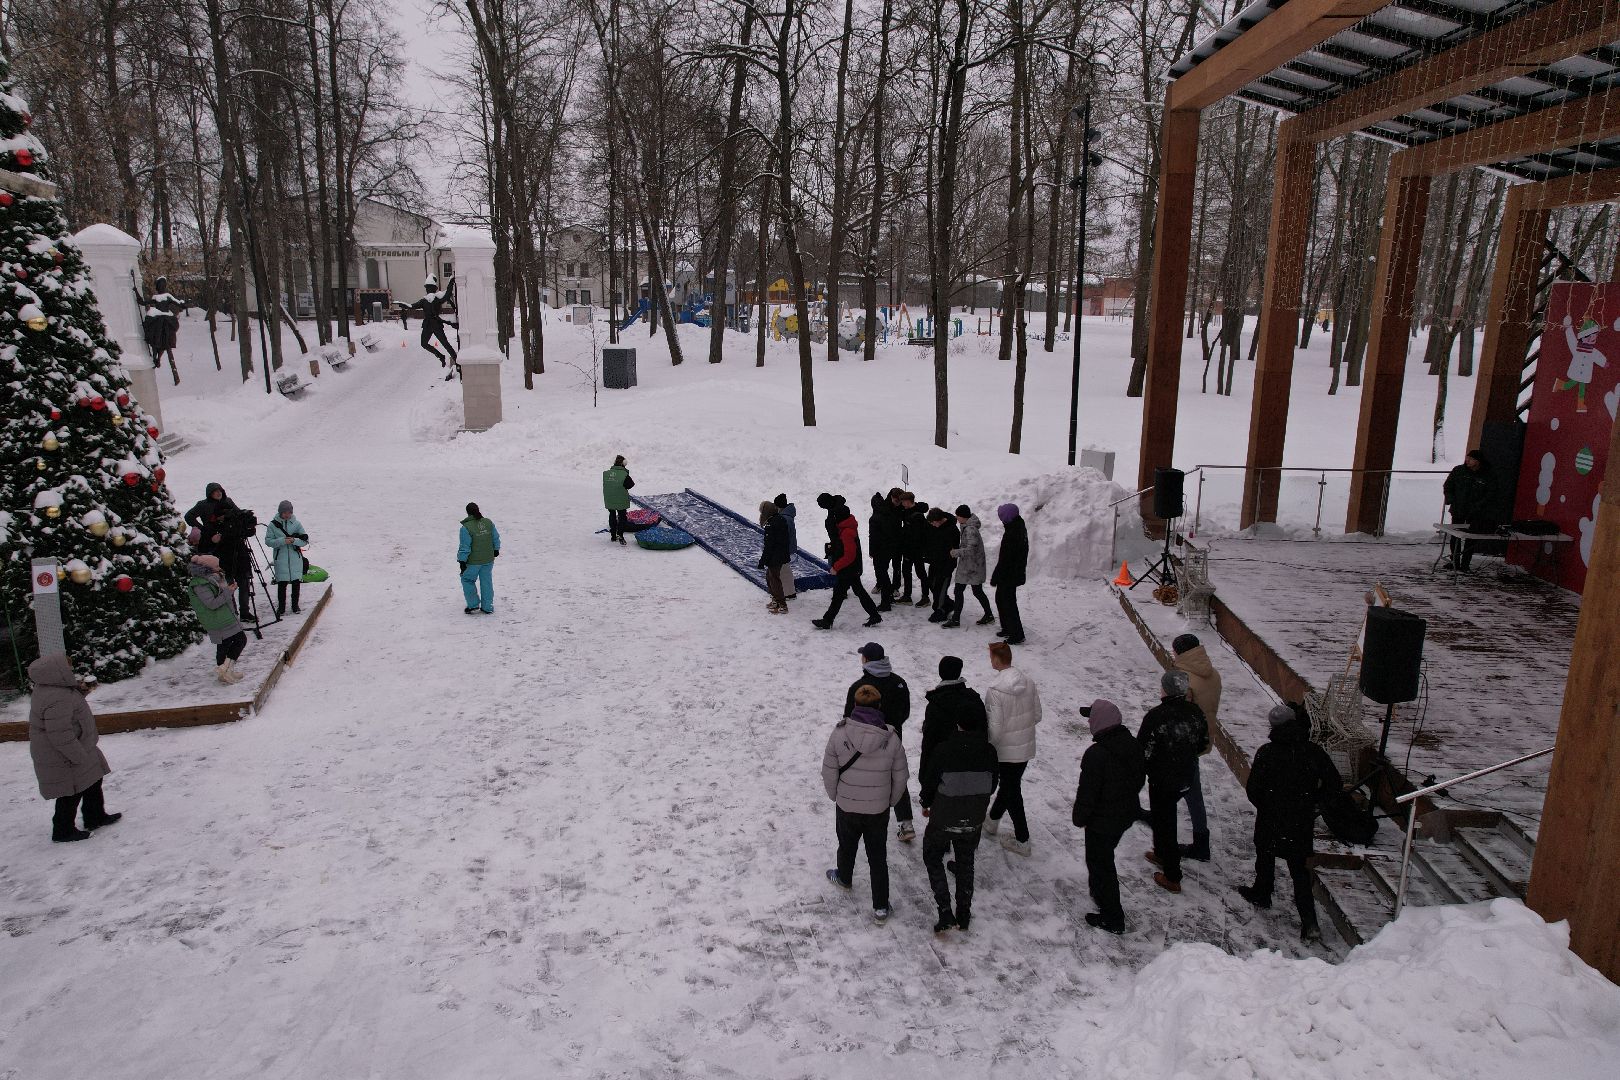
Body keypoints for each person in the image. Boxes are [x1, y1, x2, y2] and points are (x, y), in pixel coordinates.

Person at [1239, 703, 1344, 943]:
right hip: (1300, 820)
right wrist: (1315, 804)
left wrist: (1268, 805)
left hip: (1271, 818)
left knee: (1265, 854)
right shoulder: (1312, 751)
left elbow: (1253, 789)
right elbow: (1334, 784)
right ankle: (1309, 922)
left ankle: (1262, 892)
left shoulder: (1267, 752)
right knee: (1298, 871)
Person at [823, 684, 910, 923]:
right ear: (879, 706)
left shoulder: (839, 733)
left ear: (855, 706)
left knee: (846, 844)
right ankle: (881, 907)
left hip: (847, 806)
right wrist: (889, 801)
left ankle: (844, 878)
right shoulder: (891, 738)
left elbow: (829, 771)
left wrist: (836, 796)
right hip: (877, 809)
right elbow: (901, 776)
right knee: (877, 857)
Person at [918, 691, 998, 934]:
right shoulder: (989, 751)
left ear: (958, 722)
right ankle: (964, 913)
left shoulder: (944, 750)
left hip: (943, 817)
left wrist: (926, 802)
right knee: (966, 860)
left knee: (932, 856)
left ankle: (945, 910)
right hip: (973, 818)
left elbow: (930, 783)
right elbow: (993, 784)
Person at [1071, 699, 1146, 934]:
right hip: (1123, 815)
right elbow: (1138, 779)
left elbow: (1088, 793)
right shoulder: (1132, 746)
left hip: (1101, 822)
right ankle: (1098, 893)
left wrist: (1080, 817)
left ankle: (1112, 917)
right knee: (1101, 860)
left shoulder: (1096, 755)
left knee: (1101, 864)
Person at [28, 654, 120, 843]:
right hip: (63, 755)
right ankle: (63, 831)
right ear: (56, 672)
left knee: (93, 780)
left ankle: (95, 817)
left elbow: (70, 705)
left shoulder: (54, 689)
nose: (70, 671)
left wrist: (82, 691)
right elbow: (60, 734)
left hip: (78, 747)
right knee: (71, 791)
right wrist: (77, 755)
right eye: (67, 668)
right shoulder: (56, 697)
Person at [1139, 670, 1209, 894]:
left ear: (1165, 690)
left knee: (1166, 822)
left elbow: (1144, 750)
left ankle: (1172, 875)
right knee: (1163, 818)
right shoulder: (1195, 712)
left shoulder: (1157, 716)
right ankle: (1161, 851)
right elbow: (1202, 743)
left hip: (1163, 779)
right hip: (1186, 774)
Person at [844, 642, 914, 841]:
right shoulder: (899, 683)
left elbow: (848, 717)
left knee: (863, 779)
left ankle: (861, 816)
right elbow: (905, 713)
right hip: (892, 740)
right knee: (896, 778)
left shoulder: (859, 688)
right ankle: (906, 824)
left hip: (863, 745)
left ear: (865, 659)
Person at [983, 641, 1041, 855]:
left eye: (990, 657)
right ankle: (992, 821)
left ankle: (1023, 839)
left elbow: (995, 731)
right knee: (1010, 786)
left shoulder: (995, 690)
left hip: (1004, 751)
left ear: (996, 659)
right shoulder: (1029, 682)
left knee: (1011, 791)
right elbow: (1037, 715)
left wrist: (989, 746)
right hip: (1024, 749)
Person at [1171, 633, 1223, 862]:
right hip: (1201, 738)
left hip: (1182, 743)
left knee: (1179, 789)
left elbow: (1176, 714)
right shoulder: (1213, 674)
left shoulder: (1183, 678)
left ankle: (1190, 844)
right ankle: (1201, 840)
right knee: (1192, 790)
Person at [184, 482, 254, 621]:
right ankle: (232, 613)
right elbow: (189, 516)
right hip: (219, 549)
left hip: (237, 547)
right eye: (215, 491)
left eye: (220, 490)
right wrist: (203, 529)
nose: (218, 493)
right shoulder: (203, 505)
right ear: (209, 493)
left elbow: (240, 518)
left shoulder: (228, 502)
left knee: (243, 580)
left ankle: (245, 611)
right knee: (227, 582)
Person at [813, 498, 881, 630]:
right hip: (851, 569)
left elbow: (849, 556)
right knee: (857, 592)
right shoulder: (847, 528)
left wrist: (836, 567)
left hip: (848, 569)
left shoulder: (846, 532)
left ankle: (828, 620)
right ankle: (874, 615)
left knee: (839, 595)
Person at [919, 655, 987, 783]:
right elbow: (983, 733)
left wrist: (924, 777)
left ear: (940, 673)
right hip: (973, 770)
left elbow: (929, 743)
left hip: (945, 773)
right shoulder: (974, 699)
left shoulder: (936, 704)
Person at [187, 553, 247, 684]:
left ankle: (225, 671)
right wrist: (228, 592)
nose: (219, 568)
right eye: (217, 566)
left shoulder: (213, 579)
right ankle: (225, 669)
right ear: (208, 568)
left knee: (224, 645)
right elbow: (212, 603)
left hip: (223, 617)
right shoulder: (200, 584)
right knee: (240, 640)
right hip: (218, 619)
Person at [945, 504, 995, 629]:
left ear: (963, 516)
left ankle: (956, 620)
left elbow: (971, 550)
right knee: (976, 591)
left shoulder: (970, 529)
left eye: (958, 516)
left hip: (971, 567)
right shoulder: (967, 527)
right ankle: (988, 615)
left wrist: (955, 552)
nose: (956, 518)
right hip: (972, 566)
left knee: (961, 591)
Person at [1441, 449, 1491, 571]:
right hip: (1458, 508)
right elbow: (1448, 486)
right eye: (1467, 458)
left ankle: (1465, 564)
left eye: (1471, 459)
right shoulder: (1459, 470)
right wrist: (1450, 499)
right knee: (1455, 536)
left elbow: (1491, 493)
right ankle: (1455, 561)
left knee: (1471, 537)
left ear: (1478, 461)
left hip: (1475, 512)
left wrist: (1479, 506)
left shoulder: (1487, 474)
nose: (1467, 460)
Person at [990, 503, 1028, 645]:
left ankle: (1017, 634)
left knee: (1008, 603)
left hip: (1009, 574)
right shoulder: (1015, 526)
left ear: (1007, 517)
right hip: (1010, 573)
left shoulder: (1014, 532)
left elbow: (1006, 559)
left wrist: (997, 576)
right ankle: (1007, 628)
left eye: (1001, 516)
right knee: (1001, 599)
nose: (1000, 518)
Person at [264, 500, 308, 616]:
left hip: (295, 560)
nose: (287, 515)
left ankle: (295, 606)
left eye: (289, 512)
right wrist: (282, 541)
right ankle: (281, 607)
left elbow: (305, 541)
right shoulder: (273, 525)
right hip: (281, 560)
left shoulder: (297, 524)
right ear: (280, 512)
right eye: (284, 512)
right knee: (282, 585)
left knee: (296, 584)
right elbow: (268, 541)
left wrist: (294, 540)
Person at [409, 275, 459, 377]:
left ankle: (457, 361)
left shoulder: (437, 298)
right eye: (427, 288)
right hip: (427, 325)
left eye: (429, 288)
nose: (428, 290)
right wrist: (402, 304)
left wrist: (451, 282)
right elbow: (412, 306)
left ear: (434, 289)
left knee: (445, 344)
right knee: (423, 343)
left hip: (436, 324)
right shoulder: (424, 300)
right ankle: (440, 356)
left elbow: (447, 294)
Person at [457, 502, 501, 614]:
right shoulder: (488, 523)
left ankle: (473, 604)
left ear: (467, 513)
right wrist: (496, 549)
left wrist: (462, 561)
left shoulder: (465, 528)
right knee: (486, 582)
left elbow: (465, 547)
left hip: (473, 562)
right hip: (488, 559)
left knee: (467, 579)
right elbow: (495, 537)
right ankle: (488, 607)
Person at [867, 488, 904, 611]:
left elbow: (873, 536)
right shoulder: (884, 513)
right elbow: (874, 535)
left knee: (882, 574)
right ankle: (888, 597)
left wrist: (872, 551)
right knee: (883, 574)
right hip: (886, 548)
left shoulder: (881, 512)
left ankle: (886, 602)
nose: (898, 503)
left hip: (883, 549)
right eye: (896, 500)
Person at [924, 508, 960, 623]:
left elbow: (954, 550)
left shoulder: (952, 530)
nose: (932, 525)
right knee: (932, 584)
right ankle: (948, 603)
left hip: (946, 565)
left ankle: (941, 610)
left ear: (939, 520)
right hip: (935, 562)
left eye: (933, 523)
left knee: (940, 587)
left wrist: (949, 566)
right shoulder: (935, 527)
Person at [140, 275, 183, 371]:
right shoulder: (155, 297)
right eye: (160, 284)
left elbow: (178, 303)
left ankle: (158, 357)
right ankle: (155, 356)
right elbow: (143, 302)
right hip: (157, 319)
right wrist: (136, 292)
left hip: (167, 321)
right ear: (157, 286)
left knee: (165, 341)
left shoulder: (168, 296)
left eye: (163, 284)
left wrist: (184, 304)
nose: (162, 286)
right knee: (156, 339)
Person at [757, 500, 791, 614]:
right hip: (780, 554)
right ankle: (776, 600)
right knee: (770, 577)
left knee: (774, 580)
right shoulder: (779, 519)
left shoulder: (771, 524)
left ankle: (782, 604)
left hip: (775, 557)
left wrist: (763, 561)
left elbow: (769, 545)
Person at [898, 493, 931, 605]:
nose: (902, 504)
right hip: (907, 549)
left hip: (916, 550)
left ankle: (926, 597)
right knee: (906, 572)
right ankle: (907, 596)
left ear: (908, 501)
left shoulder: (918, 516)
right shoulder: (906, 511)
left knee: (920, 573)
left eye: (903, 502)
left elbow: (917, 535)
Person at [603, 455, 634, 544]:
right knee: (622, 517)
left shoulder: (606, 473)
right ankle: (620, 535)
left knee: (612, 515)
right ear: (623, 464)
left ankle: (613, 536)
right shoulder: (624, 474)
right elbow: (630, 485)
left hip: (609, 498)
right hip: (621, 499)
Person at [774, 493, 798, 600]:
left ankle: (788, 593)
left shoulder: (785, 519)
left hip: (784, 549)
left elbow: (783, 536)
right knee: (785, 569)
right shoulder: (787, 517)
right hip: (786, 549)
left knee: (783, 571)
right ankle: (789, 592)